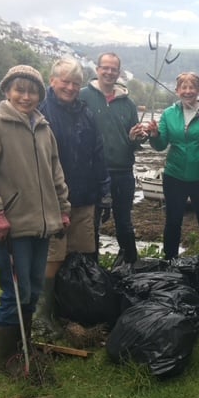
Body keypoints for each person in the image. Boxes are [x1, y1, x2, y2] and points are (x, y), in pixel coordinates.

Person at [0, 65, 70, 374]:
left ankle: (22, 345)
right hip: (9, 228)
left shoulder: (43, 128)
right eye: (19, 89)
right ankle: (6, 359)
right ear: (7, 91)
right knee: (15, 292)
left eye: (32, 90)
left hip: (42, 226)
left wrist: (62, 209)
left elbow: (56, 174)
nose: (26, 96)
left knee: (34, 289)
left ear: (40, 94)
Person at [36, 57, 110, 340]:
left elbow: (98, 153)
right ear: (52, 81)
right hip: (53, 198)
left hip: (85, 196)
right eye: (64, 81)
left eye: (75, 83)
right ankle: (43, 314)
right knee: (53, 257)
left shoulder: (86, 113)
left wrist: (105, 192)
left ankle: (75, 309)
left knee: (83, 252)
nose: (69, 87)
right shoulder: (40, 112)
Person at [145, 72, 199, 260]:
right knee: (172, 222)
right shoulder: (168, 114)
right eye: (184, 87)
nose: (188, 91)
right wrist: (154, 135)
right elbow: (161, 145)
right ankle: (169, 262)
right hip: (174, 177)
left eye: (192, 88)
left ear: (198, 90)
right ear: (177, 90)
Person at [79, 52, 145, 265]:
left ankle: (130, 265)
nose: (109, 72)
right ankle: (92, 270)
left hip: (123, 173)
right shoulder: (82, 97)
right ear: (97, 69)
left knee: (124, 223)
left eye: (113, 69)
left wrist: (136, 138)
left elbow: (134, 144)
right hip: (91, 174)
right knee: (92, 225)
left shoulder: (129, 104)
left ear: (118, 72)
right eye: (105, 68)